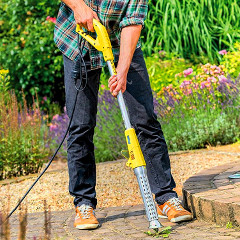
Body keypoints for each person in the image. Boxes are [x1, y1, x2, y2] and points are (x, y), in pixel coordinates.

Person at [54, 0, 193, 230]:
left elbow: (133, 21)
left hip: (121, 45)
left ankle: (166, 197)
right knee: (81, 125)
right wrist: (78, 6)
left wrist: (123, 69)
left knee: (145, 119)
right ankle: (83, 202)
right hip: (78, 41)